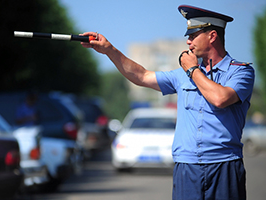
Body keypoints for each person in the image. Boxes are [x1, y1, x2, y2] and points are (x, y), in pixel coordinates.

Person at [81, 4, 255, 200]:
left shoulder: (240, 72)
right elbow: (142, 76)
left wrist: (191, 70)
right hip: (186, 168)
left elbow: (220, 98)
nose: (188, 42)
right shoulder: (182, 75)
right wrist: (109, 50)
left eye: (193, 36)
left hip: (224, 166)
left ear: (212, 36)